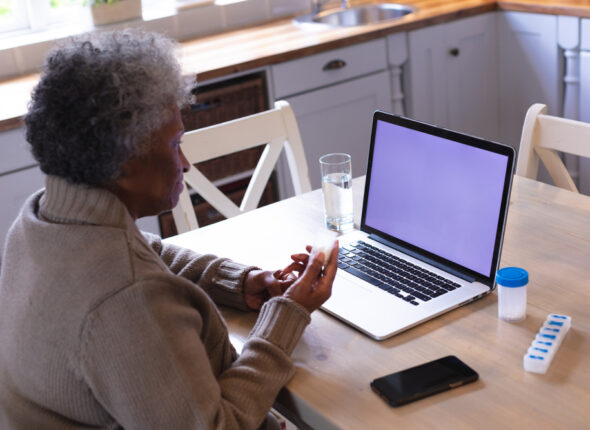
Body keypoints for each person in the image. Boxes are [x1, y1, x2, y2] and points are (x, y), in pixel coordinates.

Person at [0, 29, 338, 430]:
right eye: (175, 143)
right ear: (124, 161)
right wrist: (287, 316)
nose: (186, 164)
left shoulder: (40, 220)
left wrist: (241, 280)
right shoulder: (127, 301)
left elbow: (146, 251)